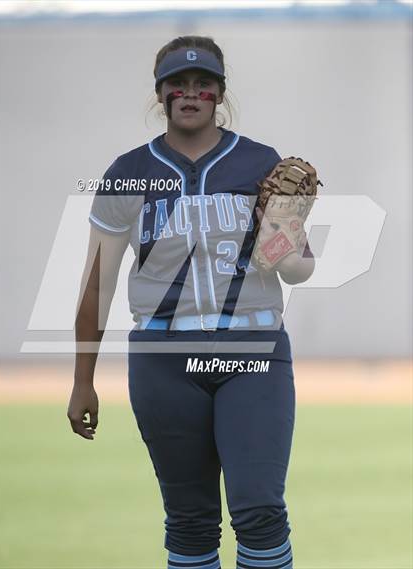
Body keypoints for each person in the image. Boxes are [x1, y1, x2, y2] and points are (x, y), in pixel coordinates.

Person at [67, 35, 315, 569]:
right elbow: (97, 285)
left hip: (252, 353)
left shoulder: (259, 162)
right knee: (189, 520)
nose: (190, 93)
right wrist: (82, 379)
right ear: (160, 94)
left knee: (260, 511)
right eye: (177, 83)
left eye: (203, 84)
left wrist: (277, 231)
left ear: (219, 93)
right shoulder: (128, 171)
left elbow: (299, 268)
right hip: (163, 359)